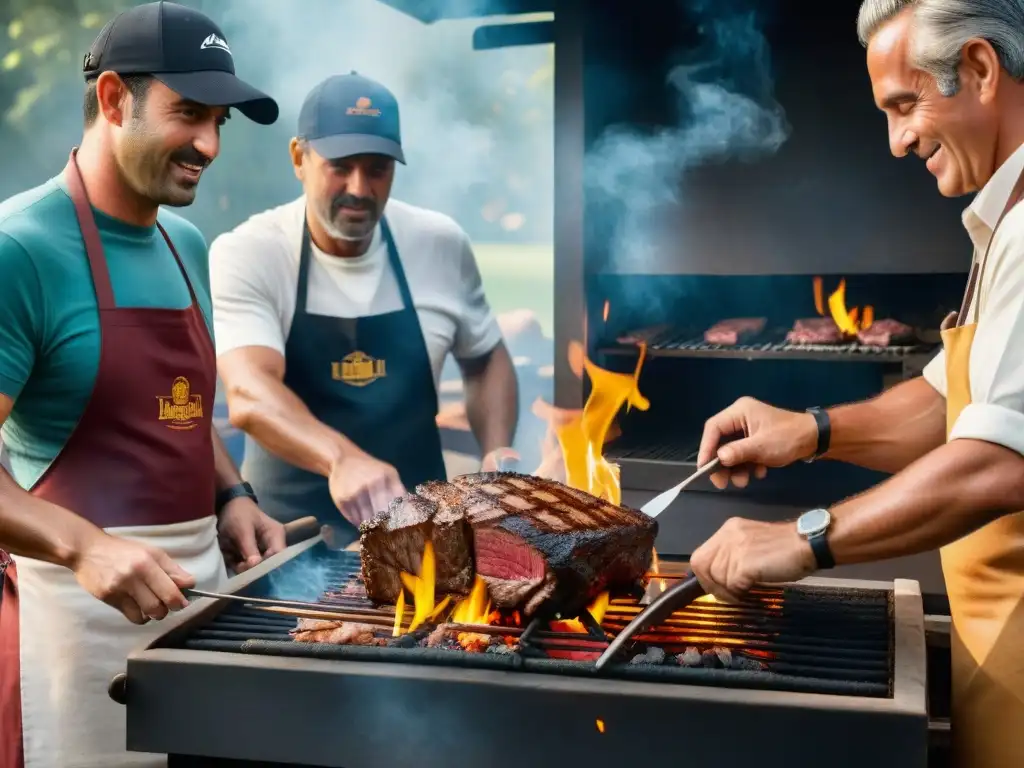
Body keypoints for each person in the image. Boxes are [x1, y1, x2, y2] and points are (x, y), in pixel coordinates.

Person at [689, 2, 1024, 766]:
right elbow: (951, 402)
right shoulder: (1004, 222)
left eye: (906, 105)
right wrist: (809, 430)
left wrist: (799, 538)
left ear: (977, 69)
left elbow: (1001, 463)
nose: (898, 140)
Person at [0, 3, 286, 767]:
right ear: (114, 98)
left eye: (220, 120)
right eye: (188, 114)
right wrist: (84, 547)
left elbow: (182, 411)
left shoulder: (183, 239)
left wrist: (233, 495)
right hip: (73, 621)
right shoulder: (18, 250)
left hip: (201, 607)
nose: (210, 144)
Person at [210, 72, 519, 542]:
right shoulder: (251, 251)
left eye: (377, 169)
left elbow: (486, 357)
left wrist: (497, 449)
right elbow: (250, 392)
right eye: (340, 165)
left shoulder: (438, 243)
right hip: (289, 537)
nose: (359, 187)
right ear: (299, 157)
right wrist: (341, 458)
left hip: (426, 537)